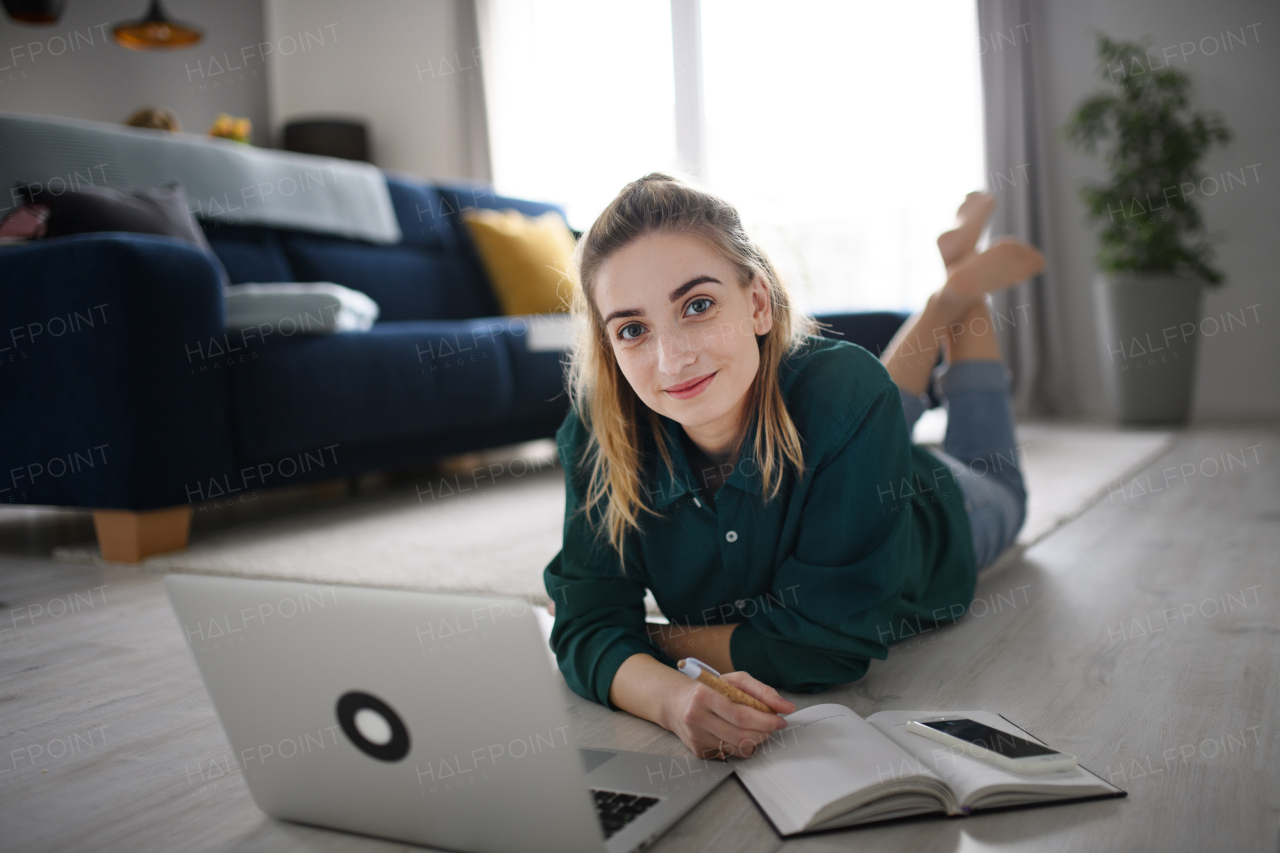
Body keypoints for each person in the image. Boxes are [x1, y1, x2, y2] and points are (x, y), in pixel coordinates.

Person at [544, 174, 1044, 762]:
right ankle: (951, 289)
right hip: (828, 435)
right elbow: (586, 628)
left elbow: (827, 647)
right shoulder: (600, 432)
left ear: (757, 303)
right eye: (632, 329)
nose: (672, 358)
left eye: (697, 306)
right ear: (608, 347)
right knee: (849, 402)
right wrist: (670, 699)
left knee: (991, 476)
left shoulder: (841, 391)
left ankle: (958, 297)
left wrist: (645, 644)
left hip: (937, 504)